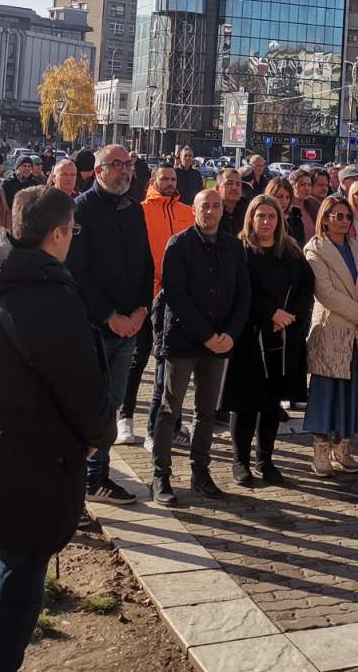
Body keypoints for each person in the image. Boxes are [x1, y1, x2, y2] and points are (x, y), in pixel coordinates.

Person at [0, 186, 111, 672]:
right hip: (32, 463)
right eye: (72, 232)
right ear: (59, 233)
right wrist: (93, 435)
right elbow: (80, 381)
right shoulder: (45, 294)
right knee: (15, 600)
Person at [151, 189, 252, 505]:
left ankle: (200, 472)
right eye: (204, 206)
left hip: (220, 343)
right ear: (193, 210)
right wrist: (206, 335)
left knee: (206, 412)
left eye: (216, 206)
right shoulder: (179, 244)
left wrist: (231, 334)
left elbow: (243, 293)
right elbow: (175, 295)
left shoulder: (234, 246)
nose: (210, 211)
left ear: (223, 211)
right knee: (170, 409)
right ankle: (161, 475)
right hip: (183, 341)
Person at [68, 145, 152, 506]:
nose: (124, 171)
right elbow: (77, 273)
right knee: (92, 406)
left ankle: (98, 477)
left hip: (130, 325)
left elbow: (147, 264)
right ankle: (86, 479)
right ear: (99, 170)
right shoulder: (81, 210)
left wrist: (141, 311)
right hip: (96, 328)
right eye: (115, 165)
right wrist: (110, 316)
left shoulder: (134, 209)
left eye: (128, 164)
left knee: (113, 404)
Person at [224, 194, 313, 486]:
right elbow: (239, 290)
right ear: (251, 218)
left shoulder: (290, 251)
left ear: (279, 220)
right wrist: (269, 313)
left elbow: (305, 287)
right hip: (249, 336)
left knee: (271, 402)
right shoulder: (239, 250)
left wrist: (289, 316)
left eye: (271, 216)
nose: (265, 221)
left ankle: (265, 458)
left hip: (282, 337)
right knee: (245, 402)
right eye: (260, 216)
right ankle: (240, 461)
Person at [305, 194, 358, 476]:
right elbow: (326, 293)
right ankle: (321, 448)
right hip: (331, 329)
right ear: (325, 218)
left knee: (352, 390)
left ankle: (343, 446)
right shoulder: (315, 249)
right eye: (338, 216)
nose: (344, 221)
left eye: (347, 216)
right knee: (327, 390)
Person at [122, 165, 192, 447]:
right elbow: (136, 254)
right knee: (139, 358)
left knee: (171, 361)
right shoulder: (139, 211)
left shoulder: (187, 212)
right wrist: (153, 288)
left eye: (173, 179)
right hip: (148, 295)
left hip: (179, 298)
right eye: (165, 179)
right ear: (153, 181)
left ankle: (172, 423)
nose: (170, 183)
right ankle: (125, 416)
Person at [287, 170, 318, 245]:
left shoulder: (314, 205)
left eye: (309, 185)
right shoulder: (286, 208)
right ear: (292, 186)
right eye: (302, 184)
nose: (307, 188)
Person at [218, 166, 248, 237]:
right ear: (218, 188)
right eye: (229, 183)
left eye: (238, 184)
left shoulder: (249, 210)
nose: (234, 188)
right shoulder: (212, 211)